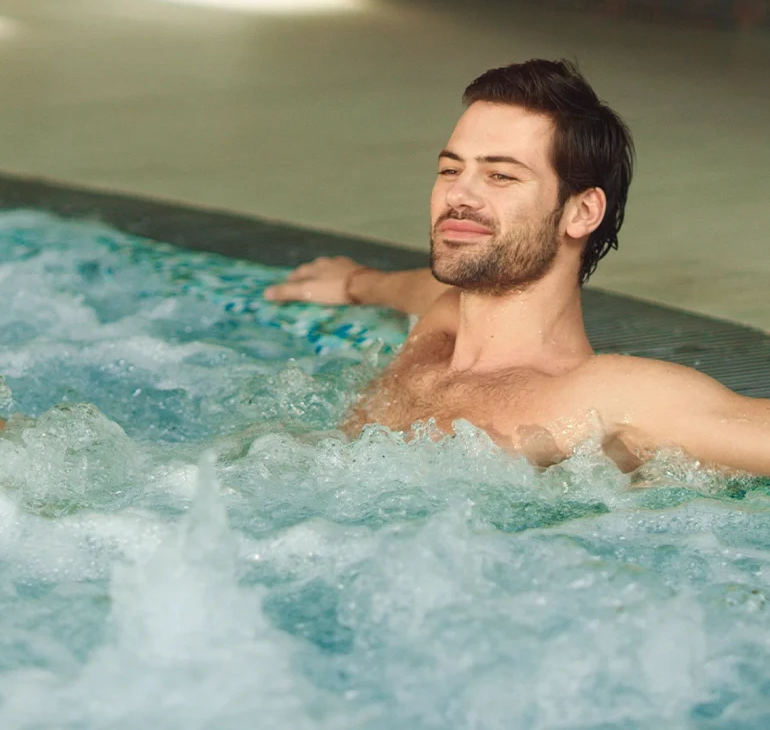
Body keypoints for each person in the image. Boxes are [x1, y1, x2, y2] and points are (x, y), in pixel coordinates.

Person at [264, 59, 770, 475]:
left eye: (501, 176)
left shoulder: (609, 399)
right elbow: (422, 290)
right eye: (450, 169)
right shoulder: (444, 323)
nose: (459, 194)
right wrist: (357, 284)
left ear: (581, 211)